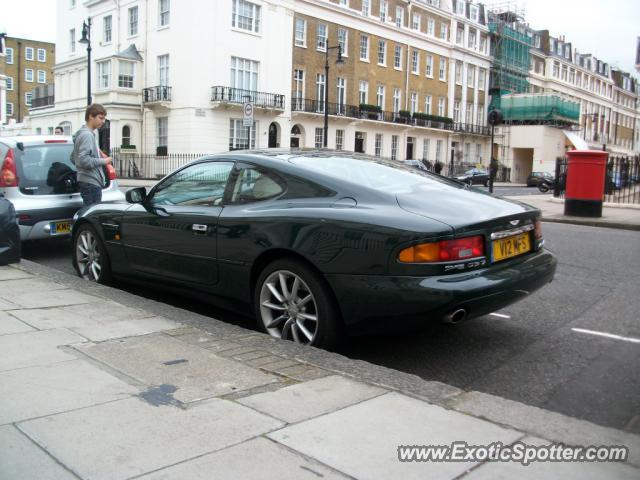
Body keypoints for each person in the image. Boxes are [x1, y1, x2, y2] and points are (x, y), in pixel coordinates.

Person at [71, 103, 112, 206]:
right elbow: (83, 160)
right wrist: (104, 161)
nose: (103, 121)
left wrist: (97, 154)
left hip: (88, 182)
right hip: (91, 183)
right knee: (93, 217)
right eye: (100, 118)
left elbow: (73, 158)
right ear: (91, 116)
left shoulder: (83, 134)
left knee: (90, 215)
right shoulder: (87, 135)